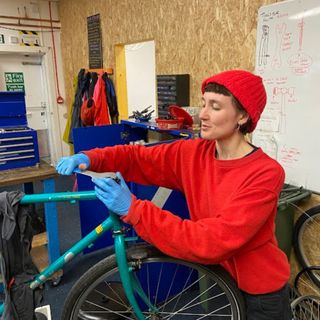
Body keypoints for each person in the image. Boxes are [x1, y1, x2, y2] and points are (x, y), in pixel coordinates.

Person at [56, 70, 292, 320]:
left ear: (242, 116)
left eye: (215, 106)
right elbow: (138, 157)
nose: (203, 114)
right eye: (203, 103)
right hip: (222, 279)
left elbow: (211, 241)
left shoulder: (265, 173)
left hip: (261, 293)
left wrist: (135, 211)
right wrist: (90, 158)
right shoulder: (194, 153)